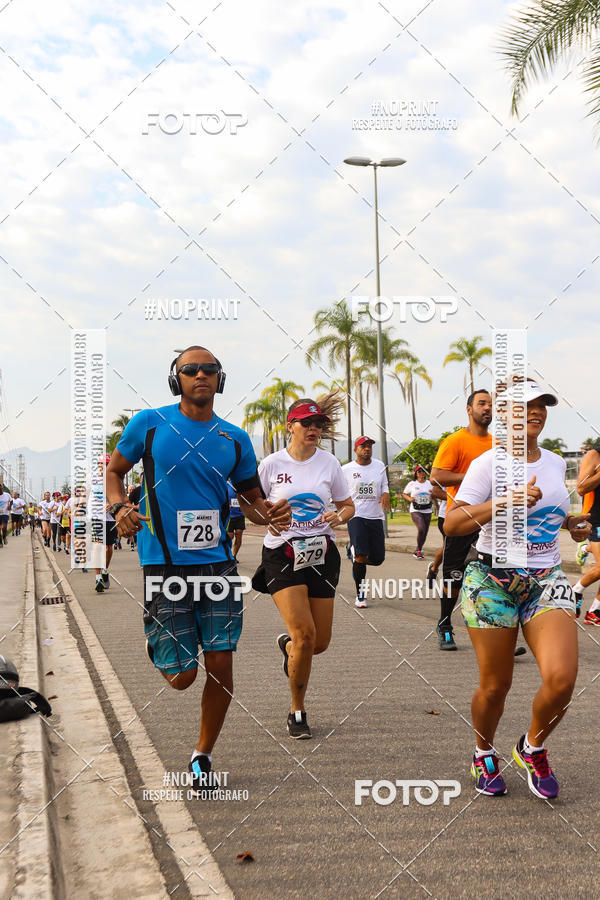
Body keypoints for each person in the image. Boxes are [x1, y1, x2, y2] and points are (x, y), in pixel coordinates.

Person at [107, 346, 291, 790]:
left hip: (218, 568)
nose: (200, 375)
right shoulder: (148, 425)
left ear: (219, 379)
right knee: (182, 678)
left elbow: (250, 500)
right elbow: (114, 472)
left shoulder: (234, 438)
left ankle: (202, 753)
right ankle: (163, 646)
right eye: (190, 370)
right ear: (177, 380)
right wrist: (118, 507)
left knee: (222, 664)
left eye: (209, 369)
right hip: (164, 566)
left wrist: (267, 513)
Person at [444, 380, 590, 798]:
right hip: (492, 579)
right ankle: (482, 752)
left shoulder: (555, 461)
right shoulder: (489, 464)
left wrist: (571, 525)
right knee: (496, 686)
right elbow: (453, 524)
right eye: (524, 406)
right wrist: (504, 502)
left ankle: (532, 747)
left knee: (562, 679)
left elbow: (550, 513)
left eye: (542, 404)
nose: (536, 411)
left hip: (545, 578)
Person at [253, 397, 354, 739]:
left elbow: (347, 505)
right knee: (305, 636)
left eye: (318, 425)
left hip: (321, 554)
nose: (313, 429)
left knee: (318, 643)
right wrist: (267, 516)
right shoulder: (270, 464)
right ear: (289, 425)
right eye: (306, 423)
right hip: (282, 554)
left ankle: (288, 648)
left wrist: (339, 516)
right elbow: (251, 504)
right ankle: (297, 710)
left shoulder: (329, 464)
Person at [430, 391, 493, 650]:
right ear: (469, 409)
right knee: (454, 576)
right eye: (482, 404)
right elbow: (436, 477)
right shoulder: (455, 441)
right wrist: (472, 476)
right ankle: (445, 625)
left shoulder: (498, 443)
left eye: (491, 404)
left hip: (490, 519)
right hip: (462, 517)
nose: (487, 408)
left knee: (493, 576)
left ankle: (497, 632)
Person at [342, 436, 389, 608]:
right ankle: (360, 595)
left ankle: (352, 550)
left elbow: (384, 485)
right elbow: (339, 491)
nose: (367, 449)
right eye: (363, 446)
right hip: (356, 515)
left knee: (377, 559)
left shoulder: (379, 466)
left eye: (369, 446)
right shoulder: (345, 469)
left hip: (375, 516)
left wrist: (385, 493)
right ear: (356, 449)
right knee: (361, 556)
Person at [572, 448, 600, 625]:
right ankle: (575, 591)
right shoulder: (594, 455)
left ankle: (595, 610)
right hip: (596, 519)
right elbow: (581, 488)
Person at [88, 457, 118, 592]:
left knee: (108, 547)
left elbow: (119, 496)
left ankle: (105, 570)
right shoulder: (91, 477)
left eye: (106, 464)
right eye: (101, 464)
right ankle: (98, 577)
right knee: (97, 546)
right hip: (96, 517)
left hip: (110, 518)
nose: (103, 466)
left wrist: (112, 504)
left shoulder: (115, 478)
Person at [402, 467, 434, 560]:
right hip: (416, 510)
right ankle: (419, 550)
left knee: (425, 532)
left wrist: (434, 495)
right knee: (421, 528)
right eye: (419, 471)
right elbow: (404, 494)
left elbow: (434, 494)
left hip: (427, 509)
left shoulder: (429, 483)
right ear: (416, 473)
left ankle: (418, 550)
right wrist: (410, 499)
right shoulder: (412, 484)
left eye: (422, 471)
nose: (421, 473)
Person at [426, 486, 447, 586]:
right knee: (448, 547)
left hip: (469, 516)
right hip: (447, 516)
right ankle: (434, 569)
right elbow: (435, 492)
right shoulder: (446, 473)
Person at [226, 480, 245, 561]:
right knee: (230, 536)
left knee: (239, 533)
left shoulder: (241, 484)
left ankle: (234, 556)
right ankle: (227, 554)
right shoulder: (226, 484)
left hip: (240, 514)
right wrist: (226, 504)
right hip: (230, 515)